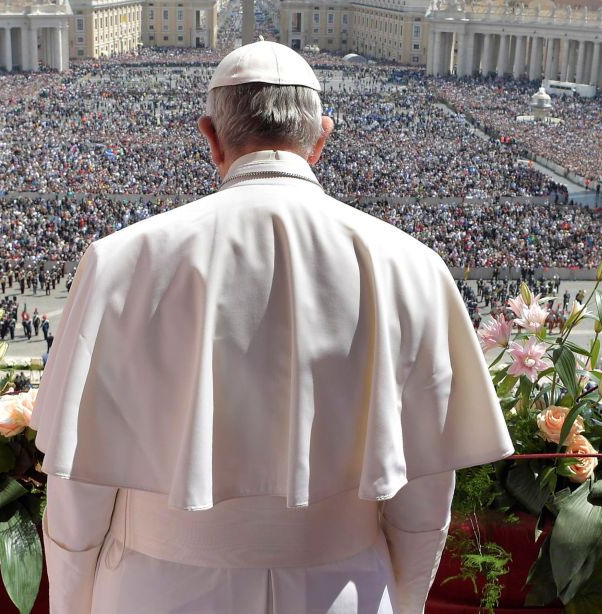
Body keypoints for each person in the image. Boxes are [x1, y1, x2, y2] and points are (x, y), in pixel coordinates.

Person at [32, 42, 513, 614]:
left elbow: (78, 490)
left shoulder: (120, 260)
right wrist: (401, 600)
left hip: (154, 591)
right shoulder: (412, 264)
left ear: (210, 136)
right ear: (321, 139)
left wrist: (70, 603)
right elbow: (424, 500)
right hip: (344, 591)